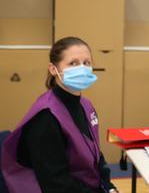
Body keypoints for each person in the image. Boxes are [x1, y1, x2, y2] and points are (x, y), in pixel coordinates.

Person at [1, 36, 119, 193]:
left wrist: (109, 187)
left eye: (87, 63)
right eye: (73, 63)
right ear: (52, 69)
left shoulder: (86, 105)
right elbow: (56, 184)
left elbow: (96, 155)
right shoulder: (45, 117)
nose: (82, 68)